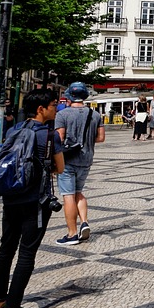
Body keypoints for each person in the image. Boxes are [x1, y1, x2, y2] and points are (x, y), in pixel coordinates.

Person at [0, 89, 62, 308]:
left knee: (6, 248)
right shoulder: (49, 136)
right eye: (52, 105)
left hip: (10, 197)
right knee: (27, 252)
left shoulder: (14, 130)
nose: (55, 109)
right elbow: (59, 168)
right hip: (35, 201)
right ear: (40, 109)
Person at [53, 82, 105, 246]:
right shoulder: (95, 114)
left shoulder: (63, 114)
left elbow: (58, 138)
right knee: (78, 192)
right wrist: (87, 141)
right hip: (86, 159)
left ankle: (72, 234)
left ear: (69, 96)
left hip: (68, 160)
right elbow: (101, 138)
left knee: (68, 195)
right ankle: (84, 222)